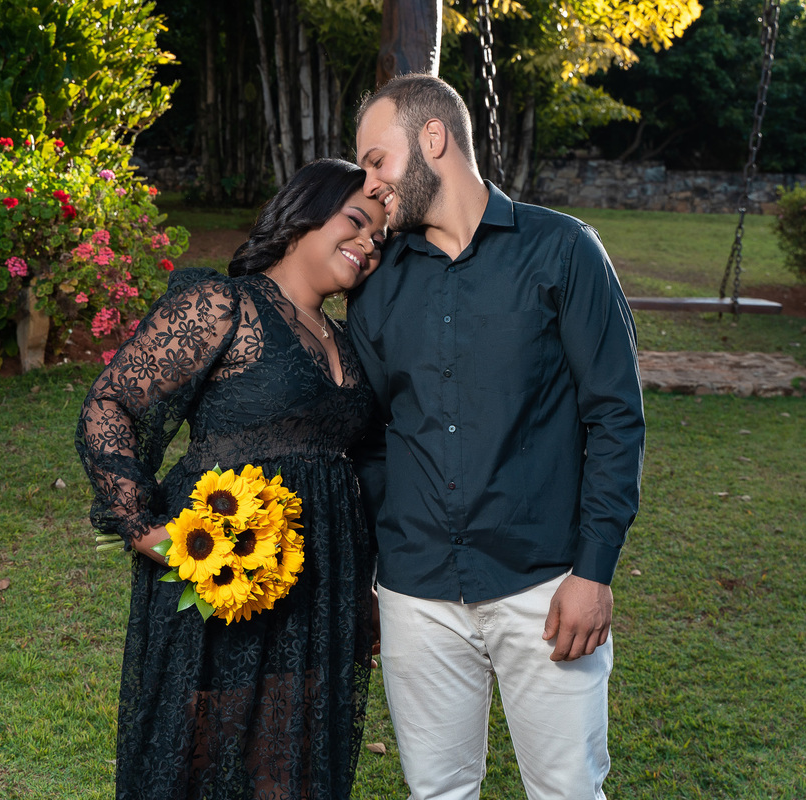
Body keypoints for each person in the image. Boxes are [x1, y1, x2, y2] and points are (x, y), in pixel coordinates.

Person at [348, 74, 646, 800]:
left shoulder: (564, 251)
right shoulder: (375, 284)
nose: (369, 184)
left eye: (376, 160)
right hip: (418, 594)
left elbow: (614, 415)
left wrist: (595, 570)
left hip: (545, 584)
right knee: (438, 793)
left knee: (568, 789)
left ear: (434, 139)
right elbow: (372, 434)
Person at [76, 158, 387, 800]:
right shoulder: (224, 306)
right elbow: (111, 406)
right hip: (224, 580)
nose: (367, 245)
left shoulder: (349, 342)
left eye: (379, 240)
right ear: (304, 214)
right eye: (356, 222)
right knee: (205, 758)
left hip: (321, 589)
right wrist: (145, 529)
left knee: (292, 760)